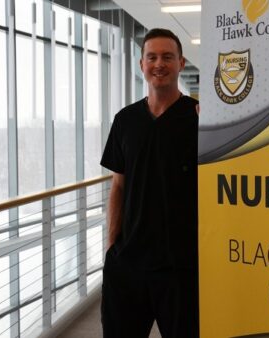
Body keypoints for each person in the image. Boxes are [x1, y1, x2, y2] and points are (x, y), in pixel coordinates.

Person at [100, 28, 199, 338]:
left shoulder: (199, 119)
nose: (160, 64)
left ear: (181, 63)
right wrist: (111, 246)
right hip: (128, 265)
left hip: (182, 267)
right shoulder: (125, 120)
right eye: (152, 57)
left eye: (168, 57)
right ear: (141, 65)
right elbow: (118, 186)